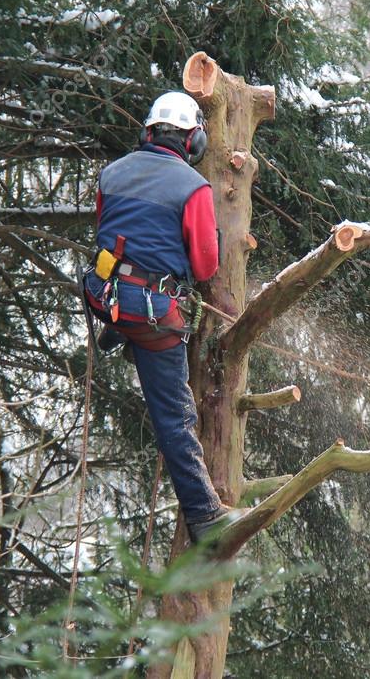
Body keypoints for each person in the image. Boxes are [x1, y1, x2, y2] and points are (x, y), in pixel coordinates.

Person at [82, 91, 233, 544]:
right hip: (150, 314)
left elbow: (108, 230)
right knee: (175, 416)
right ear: (193, 141)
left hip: (103, 294)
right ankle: (205, 516)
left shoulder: (112, 173)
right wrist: (213, 240)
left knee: (125, 285)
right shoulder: (193, 188)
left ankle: (117, 330)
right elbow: (206, 268)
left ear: (148, 132)